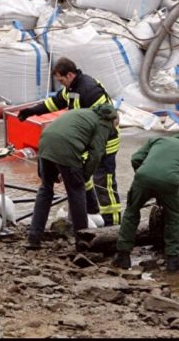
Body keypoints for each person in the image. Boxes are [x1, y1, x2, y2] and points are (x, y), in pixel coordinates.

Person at [18, 57, 123, 227]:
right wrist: (32, 111)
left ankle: (114, 224)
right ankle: (91, 212)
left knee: (104, 183)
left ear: (70, 75)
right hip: (84, 142)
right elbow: (56, 102)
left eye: (61, 80)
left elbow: (105, 123)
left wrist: (86, 165)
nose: (60, 84)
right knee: (84, 180)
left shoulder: (90, 91)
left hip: (104, 143)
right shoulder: (72, 88)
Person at [112, 131, 179, 272]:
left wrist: (145, 176)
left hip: (143, 177)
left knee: (131, 213)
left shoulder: (157, 140)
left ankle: (123, 256)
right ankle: (173, 260)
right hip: (170, 183)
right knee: (174, 218)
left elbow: (135, 158)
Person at [26, 103, 119, 250]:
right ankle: (83, 240)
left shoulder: (83, 112)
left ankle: (34, 237)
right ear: (114, 121)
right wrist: (84, 176)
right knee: (77, 192)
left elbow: (65, 136)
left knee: (45, 190)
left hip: (45, 142)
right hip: (66, 147)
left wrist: (52, 171)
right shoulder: (104, 124)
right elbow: (96, 154)